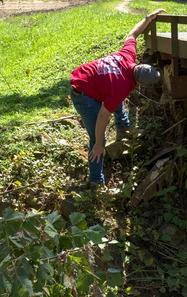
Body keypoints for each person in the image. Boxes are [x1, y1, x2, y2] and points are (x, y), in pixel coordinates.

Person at [69, 9, 166, 187]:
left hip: (88, 78)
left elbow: (133, 33)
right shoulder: (121, 86)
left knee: (115, 96)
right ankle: (96, 182)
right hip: (83, 95)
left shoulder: (128, 55)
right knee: (98, 139)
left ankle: (123, 127)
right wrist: (99, 144)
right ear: (142, 83)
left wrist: (148, 18)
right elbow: (102, 116)